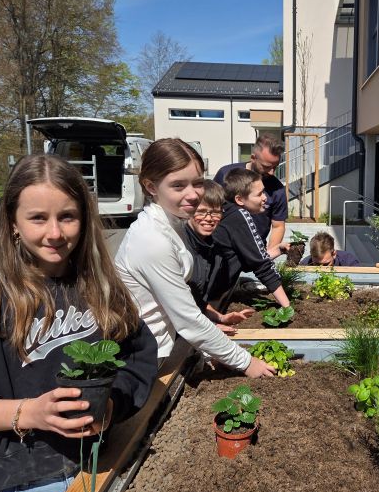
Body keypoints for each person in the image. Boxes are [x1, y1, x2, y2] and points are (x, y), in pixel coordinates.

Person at [0, 154, 157, 492]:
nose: (54, 233)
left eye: (67, 216)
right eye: (38, 218)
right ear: (13, 223)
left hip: (95, 474)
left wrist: (111, 406)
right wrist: (30, 413)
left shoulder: (102, 293)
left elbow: (137, 359)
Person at [114, 138, 275, 377]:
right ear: (150, 187)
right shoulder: (152, 240)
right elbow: (187, 320)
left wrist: (212, 331)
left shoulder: (171, 223)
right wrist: (246, 362)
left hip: (166, 347)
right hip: (145, 359)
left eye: (197, 183)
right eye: (178, 186)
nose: (192, 194)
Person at [210, 168, 292, 308]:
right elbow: (261, 266)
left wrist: (278, 250)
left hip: (206, 294)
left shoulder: (227, 212)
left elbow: (247, 259)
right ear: (240, 199)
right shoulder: (241, 216)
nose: (265, 197)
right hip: (213, 298)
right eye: (259, 194)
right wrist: (287, 307)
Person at [183, 181, 254, 334]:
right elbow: (177, 304)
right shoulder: (181, 247)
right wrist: (212, 328)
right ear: (189, 211)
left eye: (215, 212)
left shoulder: (213, 251)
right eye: (201, 211)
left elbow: (196, 300)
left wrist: (220, 317)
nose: (209, 218)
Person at [213, 134, 287, 250]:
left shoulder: (277, 189)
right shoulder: (226, 175)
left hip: (254, 251)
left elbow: (278, 226)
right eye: (266, 166)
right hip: (222, 247)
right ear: (253, 158)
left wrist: (268, 255)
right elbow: (210, 207)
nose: (272, 172)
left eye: (275, 167)